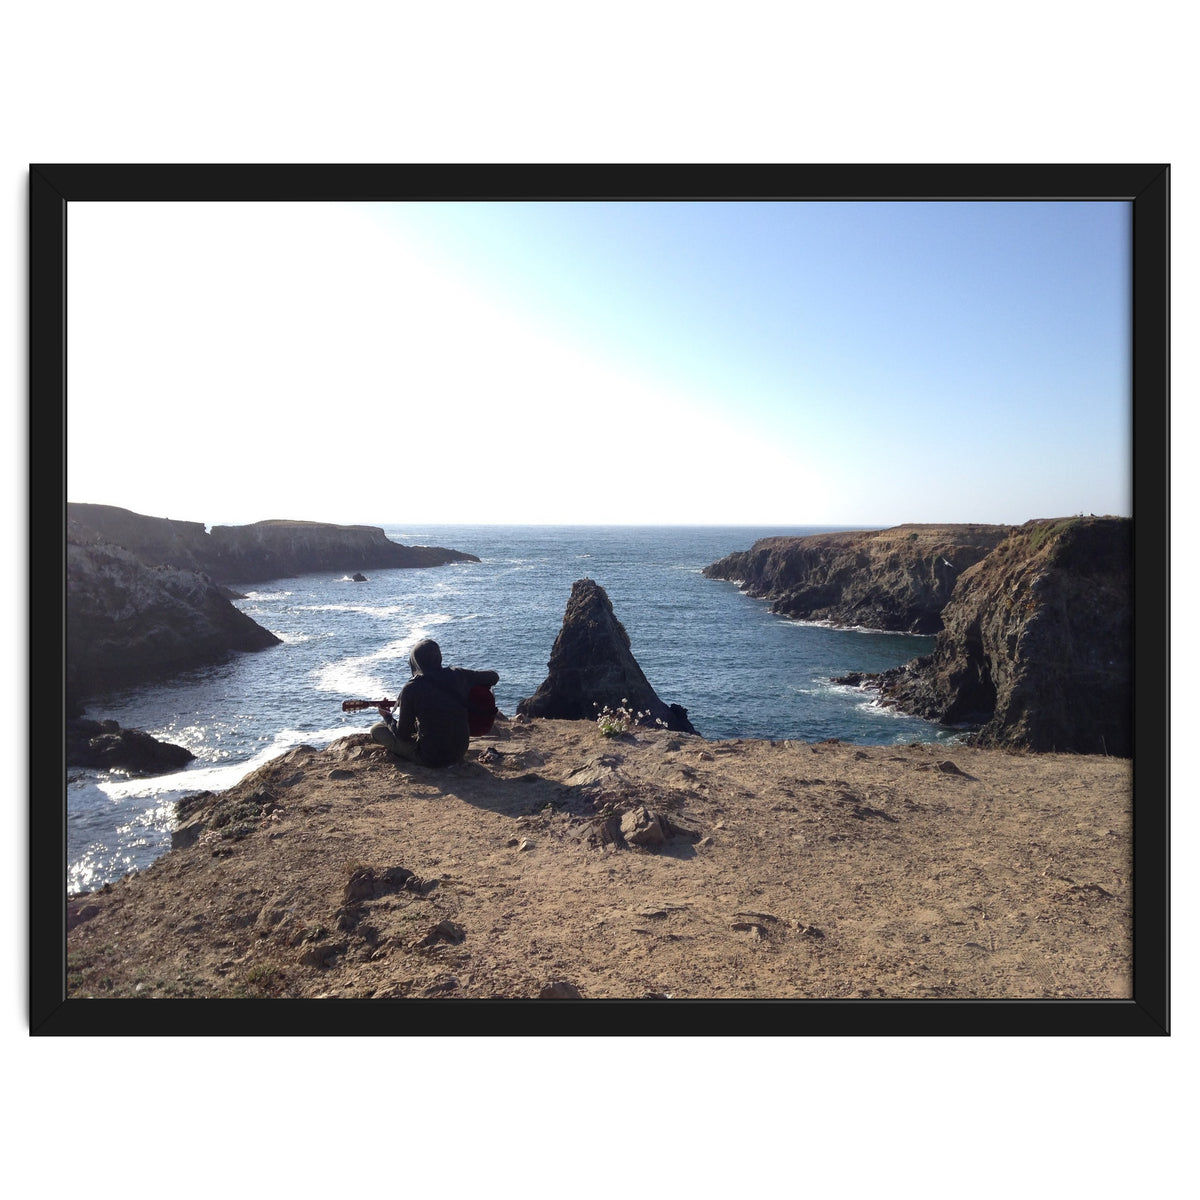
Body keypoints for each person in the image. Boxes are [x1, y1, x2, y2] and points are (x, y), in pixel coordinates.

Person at [370, 639, 499, 767]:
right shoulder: (458, 675)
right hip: (459, 752)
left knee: (377, 729)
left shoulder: (411, 688)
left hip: (431, 758)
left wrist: (387, 717)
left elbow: (402, 734)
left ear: (414, 661)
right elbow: (494, 677)